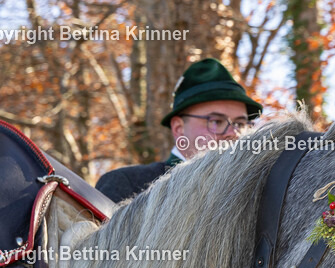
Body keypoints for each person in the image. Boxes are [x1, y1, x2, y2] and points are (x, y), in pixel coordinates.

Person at [95, 58, 262, 203]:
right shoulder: (127, 185)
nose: (233, 133)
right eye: (217, 121)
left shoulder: (256, 193)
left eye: (240, 124)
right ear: (178, 128)